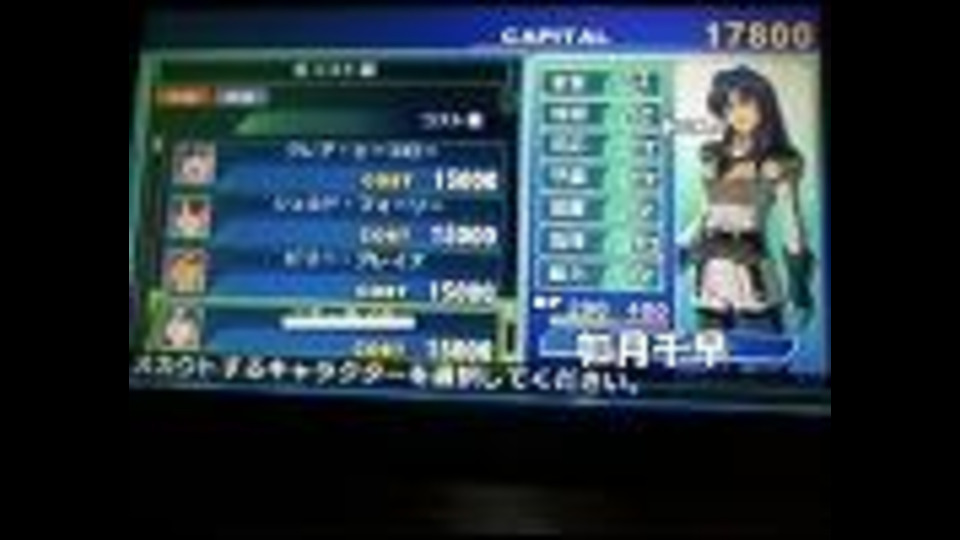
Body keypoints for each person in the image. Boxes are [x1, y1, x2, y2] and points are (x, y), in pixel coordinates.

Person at [680, 66, 814, 334]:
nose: (737, 113)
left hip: (752, 279)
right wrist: (679, 249)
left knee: (761, 352)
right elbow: (706, 214)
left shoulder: (778, 162)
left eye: (746, 103)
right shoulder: (713, 156)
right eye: (729, 106)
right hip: (709, 280)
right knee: (710, 355)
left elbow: (792, 227)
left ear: (764, 105)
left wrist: (799, 288)